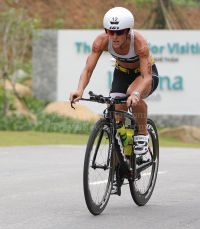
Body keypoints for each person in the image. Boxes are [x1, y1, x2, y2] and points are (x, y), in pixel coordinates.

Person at [70, 7, 159, 193]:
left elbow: (147, 77)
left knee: (132, 94)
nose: (115, 36)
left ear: (128, 31)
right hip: (121, 73)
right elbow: (88, 69)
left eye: (119, 32)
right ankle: (117, 173)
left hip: (144, 75)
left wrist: (135, 95)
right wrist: (80, 89)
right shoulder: (101, 41)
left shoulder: (139, 42)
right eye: (110, 32)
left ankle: (142, 135)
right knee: (116, 121)